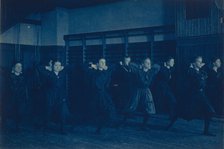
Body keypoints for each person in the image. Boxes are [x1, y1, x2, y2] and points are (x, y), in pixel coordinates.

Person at [168, 56, 216, 136]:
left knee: (209, 111)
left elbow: (204, 81)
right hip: (193, 96)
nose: (200, 63)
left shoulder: (200, 71)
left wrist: (201, 74)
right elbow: (197, 81)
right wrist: (197, 73)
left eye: (201, 61)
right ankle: (169, 125)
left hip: (201, 95)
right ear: (194, 63)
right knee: (182, 113)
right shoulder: (190, 71)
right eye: (198, 61)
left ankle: (206, 131)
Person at [122, 58, 160, 130]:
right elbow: (131, 65)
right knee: (131, 107)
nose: (149, 64)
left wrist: (150, 66)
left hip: (146, 91)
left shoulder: (151, 71)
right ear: (143, 64)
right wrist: (140, 66)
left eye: (149, 63)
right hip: (137, 90)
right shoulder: (138, 71)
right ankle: (123, 123)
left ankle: (144, 125)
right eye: (147, 63)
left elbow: (158, 66)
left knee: (149, 108)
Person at [86, 58, 117, 134]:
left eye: (104, 62)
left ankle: (102, 125)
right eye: (101, 62)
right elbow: (97, 82)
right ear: (97, 63)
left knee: (108, 109)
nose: (103, 64)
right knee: (97, 111)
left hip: (104, 94)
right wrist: (92, 66)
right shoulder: (93, 72)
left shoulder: (107, 71)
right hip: (95, 94)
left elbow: (115, 66)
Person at [45, 60, 70, 134]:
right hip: (51, 97)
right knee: (48, 113)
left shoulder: (62, 73)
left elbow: (70, 67)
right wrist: (47, 67)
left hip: (60, 97)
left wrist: (64, 67)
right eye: (56, 65)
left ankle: (63, 129)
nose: (57, 67)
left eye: (59, 65)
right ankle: (45, 127)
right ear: (53, 66)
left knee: (62, 113)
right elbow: (38, 68)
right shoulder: (48, 74)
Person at [153, 57, 177, 128]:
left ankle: (171, 115)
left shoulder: (171, 69)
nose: (173, 63)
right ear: (167, 62)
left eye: (173, 62)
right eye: (172, 62)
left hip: (167, 88)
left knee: (172, 101)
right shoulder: (162, 69)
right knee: (164, 101)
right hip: (161, 88)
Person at [9, 62, 28, 131]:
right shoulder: (10, 77)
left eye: (21, 66)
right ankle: (13, 125)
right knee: (13, 111)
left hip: (21, 98)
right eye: (17, 66)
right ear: (13, 67)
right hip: (12, 98)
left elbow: (25, 88)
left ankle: (18, 125)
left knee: (20, 112)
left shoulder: (23, 77)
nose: (19, 68)